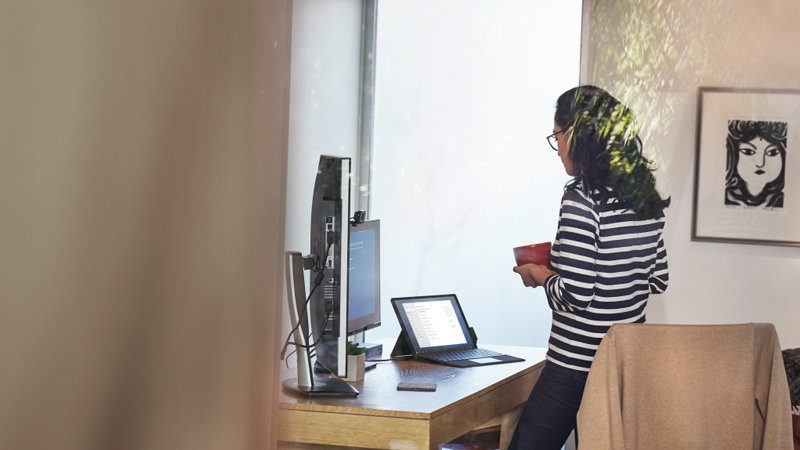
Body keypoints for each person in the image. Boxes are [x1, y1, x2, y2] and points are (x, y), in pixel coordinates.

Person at [508, 85, 670, 450]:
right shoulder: (644, 194)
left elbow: (577, 294)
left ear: (577, 135)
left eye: (557, 136)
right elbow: (659, 278)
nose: (558, 147)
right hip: (625, 365)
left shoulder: (581, 199)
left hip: (575, 365)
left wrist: (541, 275)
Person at [725, 120, 786, 208]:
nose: (760, 163)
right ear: (733, 155)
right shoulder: (724, 198)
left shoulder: (788, 201)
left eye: (772, 153)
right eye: (748, 152)